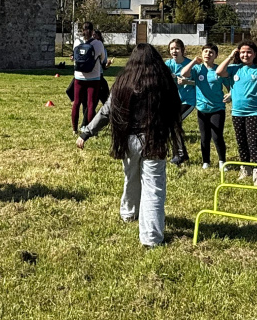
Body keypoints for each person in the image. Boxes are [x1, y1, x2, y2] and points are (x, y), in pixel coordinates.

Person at [76, 44, 185, 248]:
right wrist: (178, 144)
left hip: (128, 140)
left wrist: (87, 132)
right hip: (154, 140)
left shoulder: (123, 82)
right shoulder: (163, 82)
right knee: (153, 188)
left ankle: (128, 213)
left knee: (131, 177)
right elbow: (175, 110)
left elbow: (106, 111)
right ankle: (151, 237)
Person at [217, 41, 257, 186]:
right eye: (242, 52)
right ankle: (245, 169)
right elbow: (219, 72)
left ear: (254, 54)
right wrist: (230, 56)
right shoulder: (234, 69)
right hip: (237, 112)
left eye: (249, 52)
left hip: (256, 112)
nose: (246, 55)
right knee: (241, 142)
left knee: (254, 143)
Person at [179, 43, 231, 170]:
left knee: (217, 136)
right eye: (205, 51)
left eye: (211, 52)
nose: (208, 54)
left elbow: (230, 87)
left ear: (216, 56)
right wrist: (193, 62)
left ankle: (222, 161)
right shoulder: (197, 69)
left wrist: (230, 95)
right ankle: (206, 161)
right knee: (204, 137)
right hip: (202, 109)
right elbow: (184, 73)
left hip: (217, 108)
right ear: (202, 54)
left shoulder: (219, 70)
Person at [71, 22, 106, 133]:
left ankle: (74, 129)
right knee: (91, 104)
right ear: (92, 31)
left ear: (82, 30)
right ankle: (90, 131)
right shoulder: (98, 44)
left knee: (76, 103)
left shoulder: (77, 42)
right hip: (94, 77)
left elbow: (75, 57)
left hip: (79, 76)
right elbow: (103, 59)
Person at [165, 38, 195, 165]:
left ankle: (179, 155)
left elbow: (199, 82)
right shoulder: (168, 64)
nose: (174, 51)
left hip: (188, 101)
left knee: (174, 123)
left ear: (183, 50)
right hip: (173, 101)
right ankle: (182, 155)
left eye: (177, 48)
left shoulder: (191, 64)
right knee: (173, 125)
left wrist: (187, 81)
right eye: (172, 49)